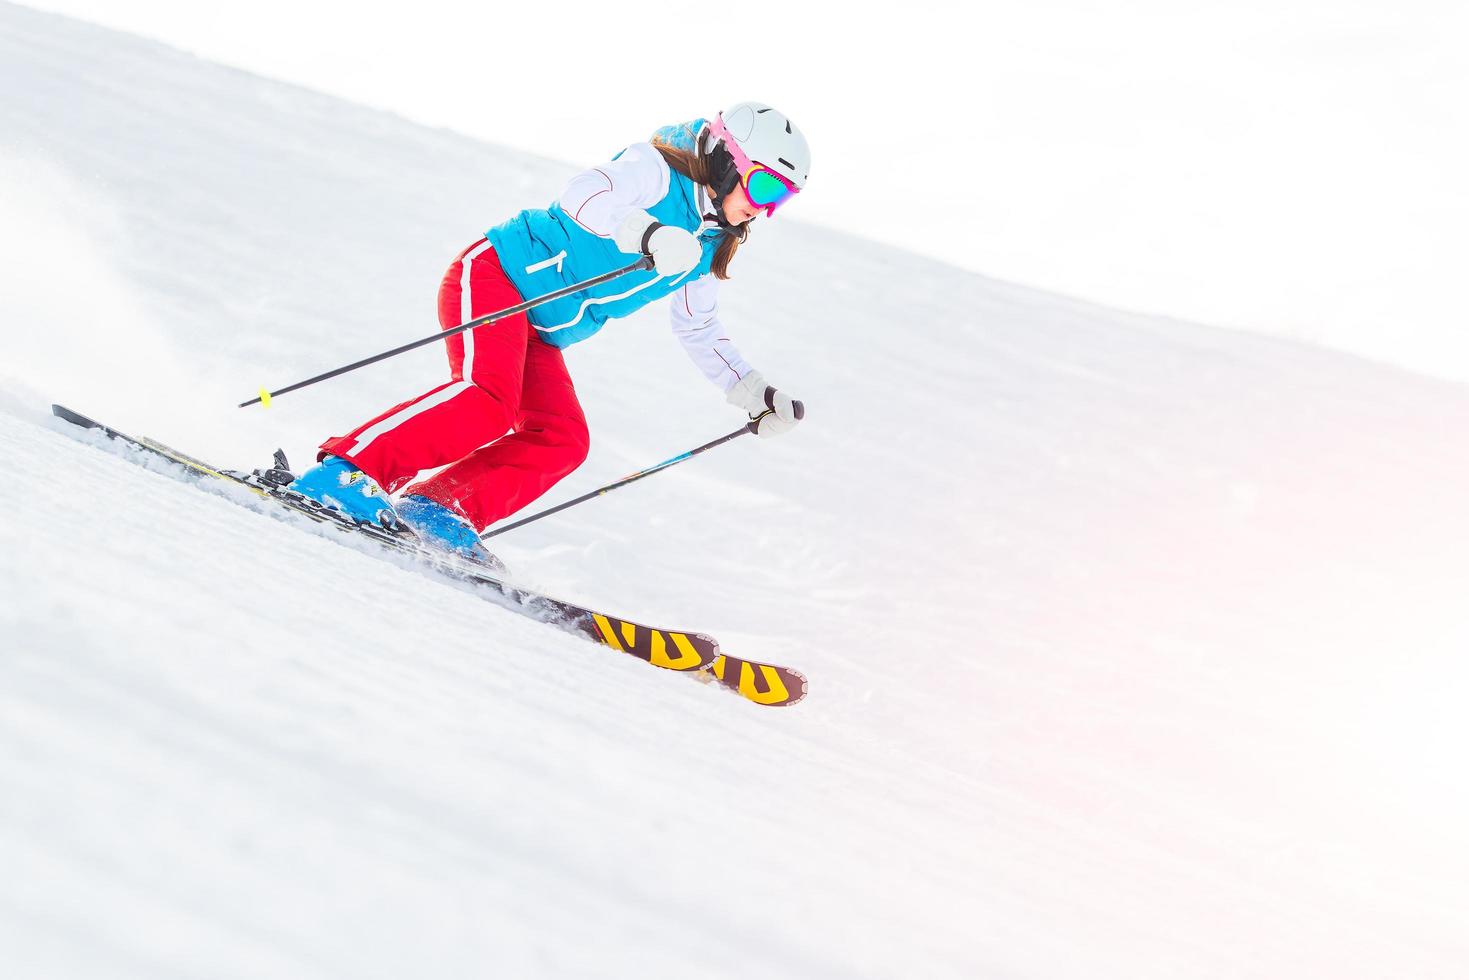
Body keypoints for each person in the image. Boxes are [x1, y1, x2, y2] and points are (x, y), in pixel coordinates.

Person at [287, 101, 809, 561]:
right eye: (764, 185)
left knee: (562, 438)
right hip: (498, 276)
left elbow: (698, 324)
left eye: (779, 200)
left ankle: (440, 509)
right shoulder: (655, 170)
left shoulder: (712, 241)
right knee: (487, 400)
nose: (762, 208)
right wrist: (645, 231)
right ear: (725, 159)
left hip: (538, 330)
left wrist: (750, 389)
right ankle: (345, 474)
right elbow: (582, 195)